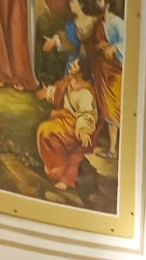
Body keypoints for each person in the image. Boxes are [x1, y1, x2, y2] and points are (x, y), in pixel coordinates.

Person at [42, 0, 121, 137]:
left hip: (93, 62)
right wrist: (54, 41)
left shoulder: (94, 20)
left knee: (93, 95)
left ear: (81, 4)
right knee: (70, 90)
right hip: (77, 60)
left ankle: (91, 128)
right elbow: (68, 41)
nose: (71, 5)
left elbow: (103, 35)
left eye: (74, 2)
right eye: (70, 3)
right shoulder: (71, 25)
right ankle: (71, 123)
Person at [34, 58, 100, 191]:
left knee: (47, 132)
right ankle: (54, 168)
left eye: (74, 65)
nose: (71, 65)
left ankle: (60, 172)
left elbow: (87, 114)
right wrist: (47, 93)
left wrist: (83, 129)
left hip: (73, 127)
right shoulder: (69, 82)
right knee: (44, 132)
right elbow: (59, 92)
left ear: (82, 72)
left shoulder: (85, 93)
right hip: (62, 121)